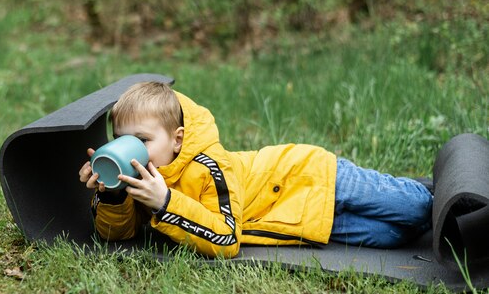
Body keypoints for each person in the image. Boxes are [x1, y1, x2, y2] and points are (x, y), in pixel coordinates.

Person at [78, 82, 433, 258]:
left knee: (417, 207)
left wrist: (166, 204)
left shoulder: (208, 164)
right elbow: (115, 236)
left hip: (308, 173)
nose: (133, 149)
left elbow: (226, 238)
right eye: (123, 140)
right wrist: (112, 192)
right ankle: (418, 195)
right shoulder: (141, 183)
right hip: (301, 217)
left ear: (176, 139)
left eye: (142, 139)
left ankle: (444, 189)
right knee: (397, 236)